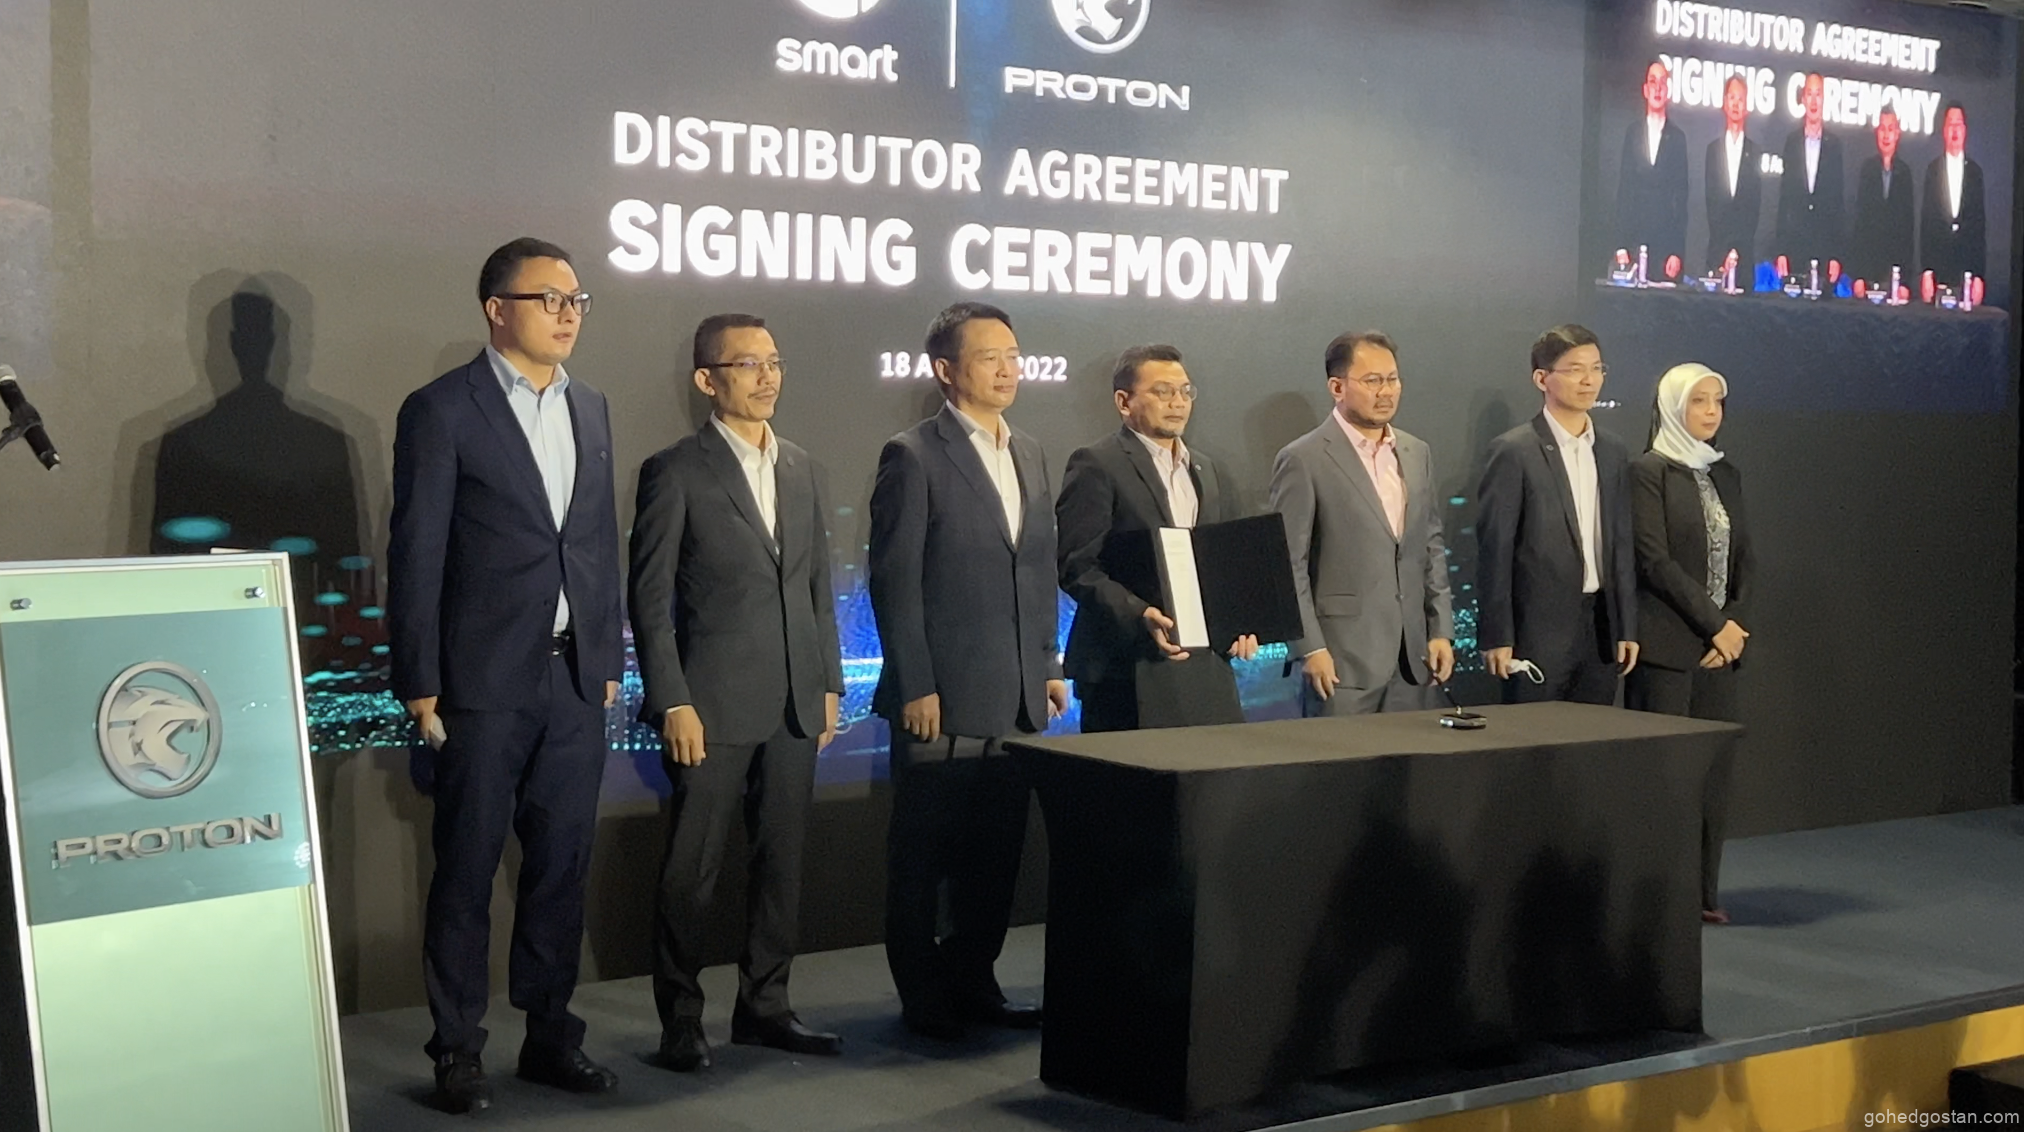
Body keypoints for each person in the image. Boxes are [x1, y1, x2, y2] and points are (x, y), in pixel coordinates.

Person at [388, 238, 623, 1114]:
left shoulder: (590, 406)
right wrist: (419, 675)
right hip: (480, 683)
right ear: (497, 309)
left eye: (577, 299)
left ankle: (551, 1037)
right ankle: (456, 1049)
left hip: (573, 680)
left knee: (560, 868)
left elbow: (594, 541)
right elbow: (417, 549)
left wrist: (605, 656)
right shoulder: (443, 409)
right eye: (548, 298)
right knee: (467, 871)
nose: (568, 314)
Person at [628, 313, 845, 1074]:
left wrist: (828, 682)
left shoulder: (803, 467)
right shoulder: (675, 470)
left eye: (774, 362)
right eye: (748, 364)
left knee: (781, 862)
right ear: (707, 380)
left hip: (795, 701)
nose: (767, 376)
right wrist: (673, 699)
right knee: (693, 870)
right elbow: (649, 599)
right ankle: (681, 1020)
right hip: (710, 704)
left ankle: (766, 1006)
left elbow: (817, 587)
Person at [868, 301, 1067, 1040]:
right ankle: (922, 996)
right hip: (942, 697)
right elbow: (894, 580)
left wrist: (1046, 661)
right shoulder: (913, 454)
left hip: (1015, 692)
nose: (1009, 369)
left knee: (995, 857)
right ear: (946, 370)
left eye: (1013, 354)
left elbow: (1036, 568)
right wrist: (916, 682)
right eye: (990, 357)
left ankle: (974, 981)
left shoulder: (1030, 451)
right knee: (924, 859)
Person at [1056, 344, 1257, 732]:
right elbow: (1077, 566)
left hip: (1208, 669)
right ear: (1124, 401)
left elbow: (1228, 561)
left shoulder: (1210, 469)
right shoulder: (1097, 463)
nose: (1177, 402)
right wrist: (1139, 614)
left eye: (1185, 391)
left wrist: (1240, 620)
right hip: (1127, 670)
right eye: (1162, 391)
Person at [1625, 363, 1753, 925]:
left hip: (1721, 652)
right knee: (1663, 778)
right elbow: (1654, 561)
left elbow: (1746, 560)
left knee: (1711, 778)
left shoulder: (1726, 473)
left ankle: (1703, 894)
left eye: (1717, 402)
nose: (1710, 412)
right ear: (1673, 407)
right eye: (1698, 401)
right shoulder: (1648, 472)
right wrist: (1713, 624)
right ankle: (1657, 896)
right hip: (1667, 649)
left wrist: (1734, 626)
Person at [1270, 331, 1454, 715]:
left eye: (1392, 379)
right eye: (1372, 380)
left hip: (1413, 661)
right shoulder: (1303, 458)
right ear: (1337, 387)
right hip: (1341, 663)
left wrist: (1440, 630)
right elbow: (1288, 564)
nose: (1386, 391)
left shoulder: (1416, 452)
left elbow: (1430, 545)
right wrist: (1310, 648)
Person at [1476, 325, 1638, 704]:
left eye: (1597, 369)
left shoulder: (1612, 450)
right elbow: (1495, 549)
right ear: (1541, 379)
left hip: (1601, 628)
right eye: (1575, 369)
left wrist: (1627, 625)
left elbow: (1622, 544)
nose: (1589, 380)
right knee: (1535, 735)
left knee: (1595, 734)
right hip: (1537, 630)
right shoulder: (1515, 450)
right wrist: (1498, 634)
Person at [1616, 60, 1689, 280]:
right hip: (1634, 240)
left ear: (1668, 91)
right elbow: (1625, 190)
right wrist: (1621, 245)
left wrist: (1677, 251)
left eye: (1662, 82)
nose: (1658, 88)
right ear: (1645, 90)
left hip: (1665, 247)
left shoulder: (1677, 138)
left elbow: (1681, 198)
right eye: (1652, 82)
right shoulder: (1633, 133)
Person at [1774, 73, 1846, 278]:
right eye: (1809, 94)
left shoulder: (1834, 145)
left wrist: (1836, 255)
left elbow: (1838, 204)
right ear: (1803, 99)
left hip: (1825, 248)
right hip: (1795, 246)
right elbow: (1784, 200)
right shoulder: (1791, 142)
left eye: (1818, 94)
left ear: (1824, 99)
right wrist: (1781, 251)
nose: (1814, 101)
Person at [1919, 101, 1987, 286]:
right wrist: (1927, 271)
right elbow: (1927, 224)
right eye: (1950, 124)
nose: (1955, 130)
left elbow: (1979, 226)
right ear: (1943, 130)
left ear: (1965, 130)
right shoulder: (1933, 170)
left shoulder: (1975, 172)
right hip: (1939, 266)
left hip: (1966, 268)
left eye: (1959, 124)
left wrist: (1979, 276)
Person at [1703, 74, 1763, 274]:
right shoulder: (1713, 150)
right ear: (1724, 103)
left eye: (1740, 99)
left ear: (1746, 106)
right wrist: (1724, 252)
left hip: (1744, 255)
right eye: (1732, 98)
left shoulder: (1754, 152)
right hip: (1717, 253)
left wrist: (1736, 250)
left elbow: (1753, 208)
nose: (1736, 104)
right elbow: (1712, 204)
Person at [1850, 106, 1915, 286]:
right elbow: (1860, 226)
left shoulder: (1905, 173)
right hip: (1869, 268)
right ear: (1876, 133)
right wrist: (1859, 277)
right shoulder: (1867, 169)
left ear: (1897, 134)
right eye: (1882, 129)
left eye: (1890, 129)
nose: (1886, 135)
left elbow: (1908, 232)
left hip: (1895, 272)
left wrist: (1904, 282)